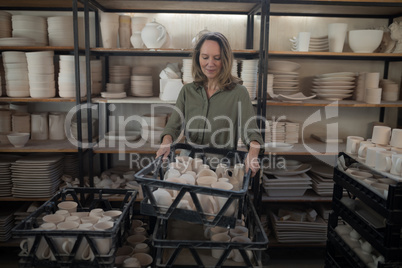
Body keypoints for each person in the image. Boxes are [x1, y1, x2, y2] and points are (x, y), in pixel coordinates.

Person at [156, 32, 263, 177]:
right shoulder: (187, 91)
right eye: (205, 57)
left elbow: (250, 130)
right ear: (198, 58)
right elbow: (173, 126)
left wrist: (253, 153)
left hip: (219, 169)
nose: (210, 63)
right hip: (187, 166)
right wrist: (166, 142)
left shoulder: (239, 93)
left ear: (225, 60)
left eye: (217, 58)